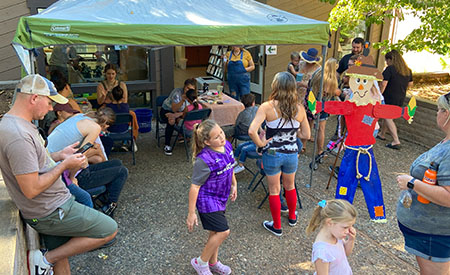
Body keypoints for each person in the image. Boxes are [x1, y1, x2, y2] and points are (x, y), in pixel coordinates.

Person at [0, 74, 117, 274]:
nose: (52, 108)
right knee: (109, 229)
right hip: (51, 210)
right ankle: (43, 259)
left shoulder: (14, 125)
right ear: (34, 98)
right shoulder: (18, 136)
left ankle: (47, 261)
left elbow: (34, 163)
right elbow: (31, 188)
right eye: (49, 101)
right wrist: (64, 165)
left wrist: (58, 155)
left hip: (47, 207)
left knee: (61, 258)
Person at [248, 72, 310, 236]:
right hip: (291, 153)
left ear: (276, 86)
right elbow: (306, 135)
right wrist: (290, 135)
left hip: (273, 152)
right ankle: (291, 217)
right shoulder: (299, 108)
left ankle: (277, 226)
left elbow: (252, 131)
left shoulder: (267, 107)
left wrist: (261, 143)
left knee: (274, 189)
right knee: (290, 186)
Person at [396, 93, 450, 274]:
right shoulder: (446, 141)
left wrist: (412, 183)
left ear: (447, 114)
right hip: (430, 235)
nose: (437, 114)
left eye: (439, 110)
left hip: (434, 236)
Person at [47, 108, 128, 217]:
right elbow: (80, 156)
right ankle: (109, 205)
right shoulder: (95, 128)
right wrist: (72, 179)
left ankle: (105, 201)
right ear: (106, 126)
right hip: (60, 173)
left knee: (117, 163)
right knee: (122, 171)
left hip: (50, 160)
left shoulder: (80, 116)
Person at [186, 119, 237, 275]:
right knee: (223, 231)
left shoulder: (227, 146)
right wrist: (191, 212)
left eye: (221, 132)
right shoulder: (204, 160)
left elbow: (230, 166)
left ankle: (213, 263)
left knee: (215, 232)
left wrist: (234, 184)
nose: (221, 137)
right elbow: (195, 186)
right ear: (207, 142)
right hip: (207, 200)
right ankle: (201, 262)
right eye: (216, 137)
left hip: (221, 198)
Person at [306, 199, 357, 275]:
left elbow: (345, 253)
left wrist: (351, 240)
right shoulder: (322, 251)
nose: (348, 231)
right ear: (330, 222)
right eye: (345, 227)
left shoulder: (336, 234)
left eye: (350, 226)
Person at [378, 50, 413, 150]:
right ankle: (382, 134)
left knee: (388, 117)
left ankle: (396, 140)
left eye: (387, 61)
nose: (386, 63)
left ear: (390, 59)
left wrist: (379, 94)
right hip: (400, 97)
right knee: (389, 116)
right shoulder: (407, 70)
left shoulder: (390, 69)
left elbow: (383, 84)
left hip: (389, 96)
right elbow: (410, 84)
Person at [304, 58, 340, 155]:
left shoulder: (317, 73)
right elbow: (332, 92)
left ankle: (303, 146)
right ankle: (320, 150)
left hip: (311, 101)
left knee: (308, 122)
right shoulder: (331, 78)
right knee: (321, 129)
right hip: (323, 104)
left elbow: (310, 85)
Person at [160, 78, 196, 155]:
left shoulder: (192, 94)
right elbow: (174, 109)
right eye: (187, 88)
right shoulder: (177, 93)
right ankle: (167, 144)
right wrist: (182, 100)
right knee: (171, 120)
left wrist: (179, 114)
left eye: (191, 89)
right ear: (184, 86)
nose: (188, 91)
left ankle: (184, 135)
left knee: (189, 116)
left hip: (181, 112)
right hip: (167, 110)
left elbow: (193, 108)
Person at [233, 93, 258, 174]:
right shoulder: (257, 109)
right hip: (253, 132)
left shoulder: (242, 113)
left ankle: (236, 161)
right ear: (253, 103)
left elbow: (236, 123)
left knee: (231, 131)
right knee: (241, 146)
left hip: (243, 132)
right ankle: (235, 160)